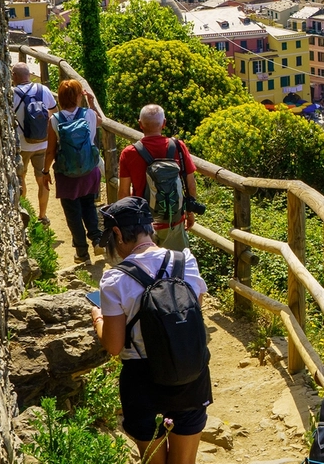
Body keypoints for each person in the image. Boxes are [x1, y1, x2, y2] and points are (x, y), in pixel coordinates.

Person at [91, 198, 210, 463]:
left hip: (142, 381)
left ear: (118, 233)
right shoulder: (186, 261)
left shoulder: (114, 280)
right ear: (149, 227)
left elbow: (113, 345)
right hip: (190, 374)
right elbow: (194, 315)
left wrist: (98, 319)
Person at [118, 104, 199, 249]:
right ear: (164, 123)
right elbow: (191, 185)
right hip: (173, 221)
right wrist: (190, 212)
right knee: (176, 266)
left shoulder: (129, 153)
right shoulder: (178, 146)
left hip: (144, 224)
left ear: (140, 124)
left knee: (148, 268)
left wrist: (125, 224)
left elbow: (124, 193)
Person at [45, 79, 103, 264]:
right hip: (89, 170)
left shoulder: (54, 120)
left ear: (60, 98)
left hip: (66, 174)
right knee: (89, 206)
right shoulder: (90, 115)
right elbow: (102, 122)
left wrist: (45, 171)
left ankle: (81, 253)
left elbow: (51, 150)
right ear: (79, 96)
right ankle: (97, 239)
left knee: (72, 212)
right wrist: (92, 103)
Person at [11, 62, 56, 223]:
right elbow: (53, 112)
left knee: (20, 176)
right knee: (42, 178)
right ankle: (42, 216)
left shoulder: (12, 93)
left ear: (14, 76)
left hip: (22, 144)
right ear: (29, 75)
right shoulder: (43, 90)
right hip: (43, 143)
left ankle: (23, 211)